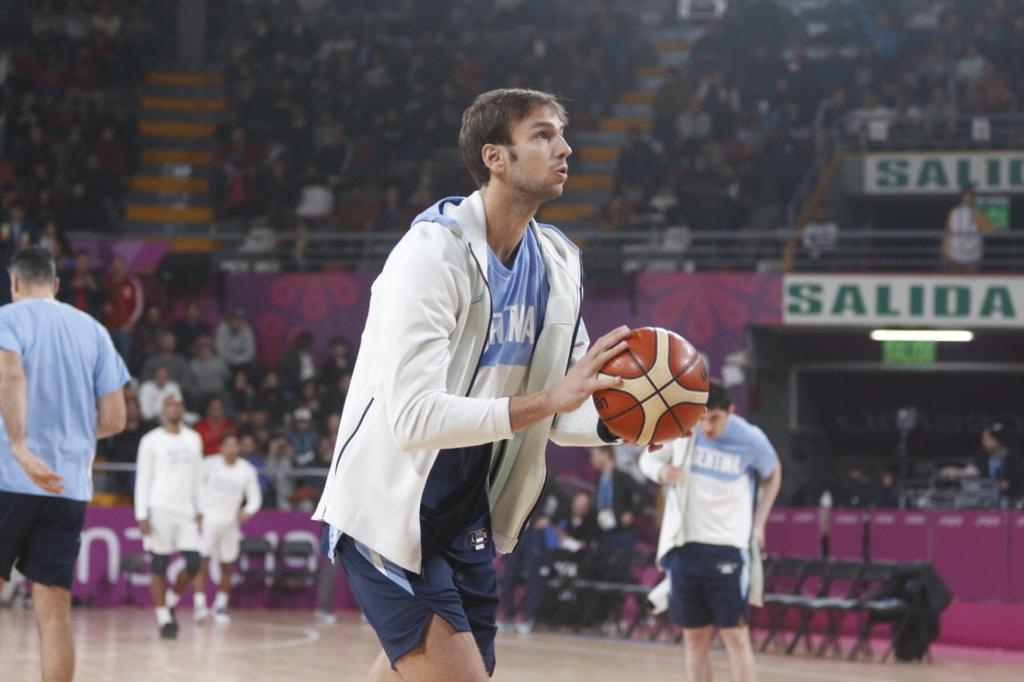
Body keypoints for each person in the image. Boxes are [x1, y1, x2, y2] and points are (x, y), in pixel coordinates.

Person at [313, 88, 634, 681]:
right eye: (542, 135)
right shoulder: (431, 254)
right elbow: (415, 419)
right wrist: (548, 400)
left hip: (467, 512)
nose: (565, 148)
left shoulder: (559, 263)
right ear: (495, 157)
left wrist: (626, 422)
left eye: (561, 134)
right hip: (393, 504)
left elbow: (565, 410)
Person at [0, 246, 129, 682]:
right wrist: (71, 437)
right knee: (55, 614)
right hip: (67, 487)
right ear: (55, 285)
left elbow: (10, 374)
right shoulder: (94, 330)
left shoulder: (6, 319)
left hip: (8, 478)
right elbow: (116, 419)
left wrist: (21, 444)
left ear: (14, 282)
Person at [639, 380, 782, 682]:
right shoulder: (683, 429)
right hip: (684, 548)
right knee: (693, 639)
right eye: (702, 418)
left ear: (731, 411)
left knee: (735, 636)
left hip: (727, 549)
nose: (707, 427)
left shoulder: (751, 439)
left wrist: (760, 523)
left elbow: (773, 473)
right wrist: (662, 471)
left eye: (715, 419)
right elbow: (647, 458)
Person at [133, 395, 204, 639]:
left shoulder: (193, 439)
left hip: (186, 510)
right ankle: (163, 618)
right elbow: (143, 478)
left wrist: (200, 508)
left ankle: (171, 599)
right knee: (159, 564)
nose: (175, 409)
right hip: (159, 506)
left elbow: (198, 476)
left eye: (178, 405)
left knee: (194, 563)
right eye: (170, 405)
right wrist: (141, 513)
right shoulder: (151, 440)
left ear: (183, 409)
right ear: (163, 410)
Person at [192, 433, 262, 624]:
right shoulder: (209, 464)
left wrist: (247, 511)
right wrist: (199, 511)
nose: (231, 449)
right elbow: (196, 488)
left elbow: (255, 498)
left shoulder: (247, 470)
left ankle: (221, 604)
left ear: (239, 448)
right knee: (201, 561)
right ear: (221, 448)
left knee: (228, 564)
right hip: (208, 519)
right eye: (227, 445)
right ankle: (199, 604)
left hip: (231, 522)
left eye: (234, 445)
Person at [944, 188, 990, 271]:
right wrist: (944, 251)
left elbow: (989, 230)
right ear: (962, 198)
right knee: (953, 277)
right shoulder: (954, 212)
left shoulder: (979, 213)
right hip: (955, 254)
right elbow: (948, 231)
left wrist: (979, 221)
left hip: (973, 256)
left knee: (972, 278)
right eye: (966, 197)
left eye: (970, 197)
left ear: (974, 199)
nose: (968, 199)